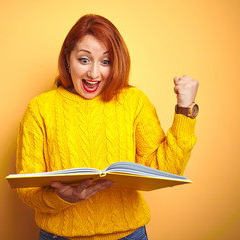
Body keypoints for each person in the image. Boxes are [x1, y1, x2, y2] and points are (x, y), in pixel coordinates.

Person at [15, 14, 198, 240]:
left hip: (130, 235)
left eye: (106, 61)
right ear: (67, 58)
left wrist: (184, 109)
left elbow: (167, 172)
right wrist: (65, 197)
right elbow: (26, 189)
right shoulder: (40, 109)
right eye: (84, 60)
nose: (94, 73)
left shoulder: (134, 101)